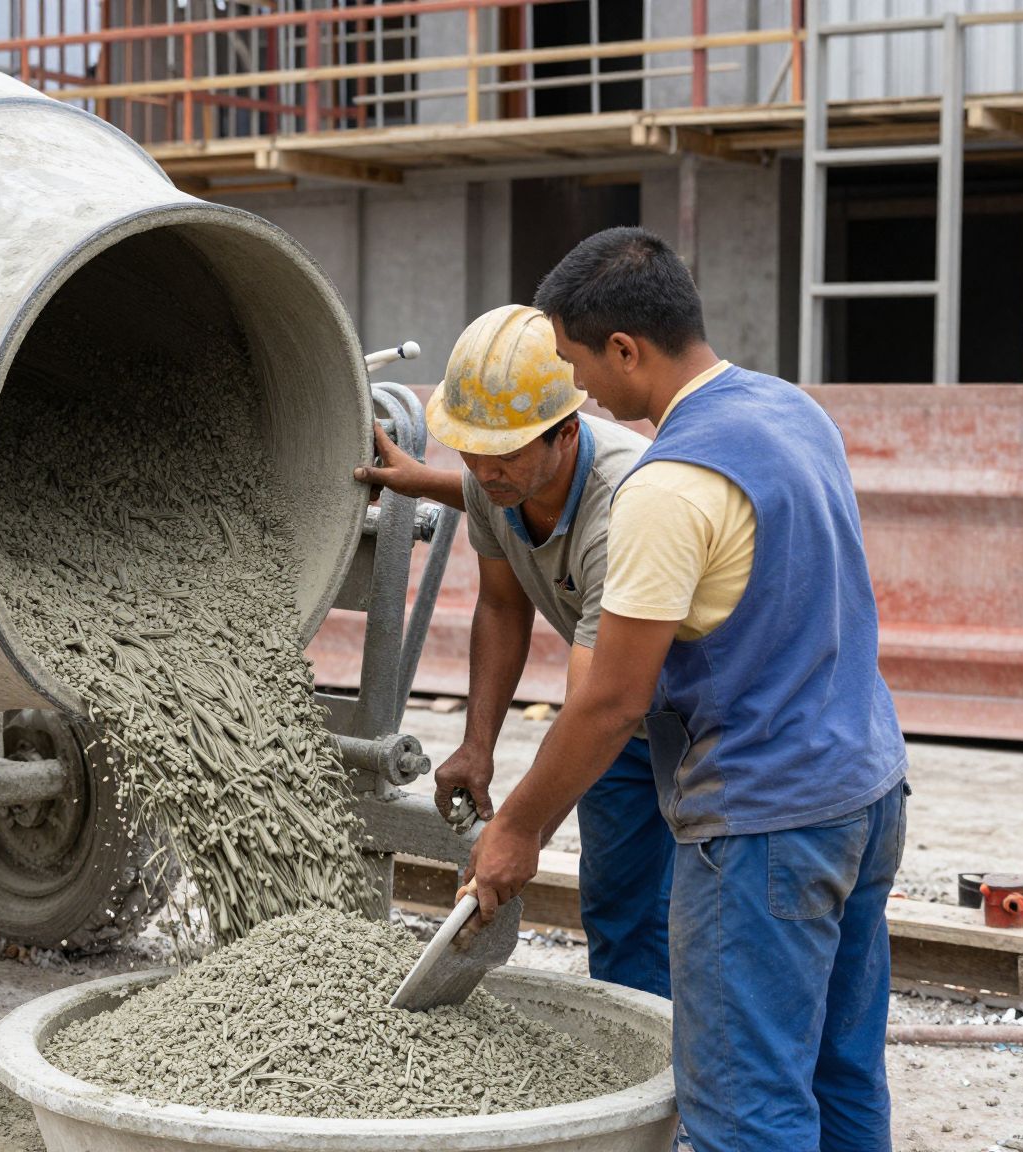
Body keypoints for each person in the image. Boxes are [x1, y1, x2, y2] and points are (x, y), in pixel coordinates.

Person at [459, 227, 909, 1152]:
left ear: (626, 349)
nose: (583, 390)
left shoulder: (665, 486)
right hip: (865, 789)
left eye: (581, 366)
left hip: (762, 823)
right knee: (841, 1073)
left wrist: (518, 829)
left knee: (747, 1109)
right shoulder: (792, 412)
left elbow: (613, 701)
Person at [354, 303, 673, 999]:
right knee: (619, 910)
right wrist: (477, 745)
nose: (482, 472)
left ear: (565, 433)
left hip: (699, 719)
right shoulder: (502, 477)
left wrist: (521, 830)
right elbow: (503, 605)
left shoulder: (626, 506)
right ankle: (642, 1074)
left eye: (502, 455)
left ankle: (692, 1076)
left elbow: (603, 703)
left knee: (700, 918)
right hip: (621, 722)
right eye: (469, 451)